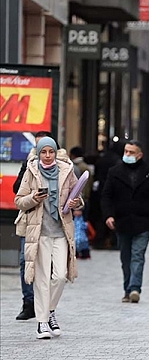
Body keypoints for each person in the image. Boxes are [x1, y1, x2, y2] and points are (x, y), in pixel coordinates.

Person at [14, 137, 82, 339]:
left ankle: (49, 310)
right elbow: (19, 200)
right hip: (40, 232)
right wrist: (33, 198)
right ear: (38, 153)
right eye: (43, 152)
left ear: (55, 152)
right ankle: (42, 323)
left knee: (60, 276)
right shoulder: (31, 170)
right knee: (42, 279)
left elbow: (78, 197)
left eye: (50, 152)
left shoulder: (66, 170)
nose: (47, 155)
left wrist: (77, 202)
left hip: (61, 232)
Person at [101, 140, 149, 303]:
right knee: (125, 257)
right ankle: (127, 288)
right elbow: (107, 196)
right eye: (126, 151)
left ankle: (134, 288)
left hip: (143, 221)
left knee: (138, 254)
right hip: (122, 221)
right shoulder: (114, 172)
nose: (128, 155)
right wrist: (108, 215)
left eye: (131, 152)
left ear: (140, 155)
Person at [12, 131, 63, 321]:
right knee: (27, 261)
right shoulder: (29, 165)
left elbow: (74, 194)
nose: (43, 152)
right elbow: (17, 191)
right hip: (32, 222)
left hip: (55, 227)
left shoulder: (64, 167)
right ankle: (29, 303)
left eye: (47, 148)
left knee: (56, 272)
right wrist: (33, 195)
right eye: (39, 148)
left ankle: (48, 306)